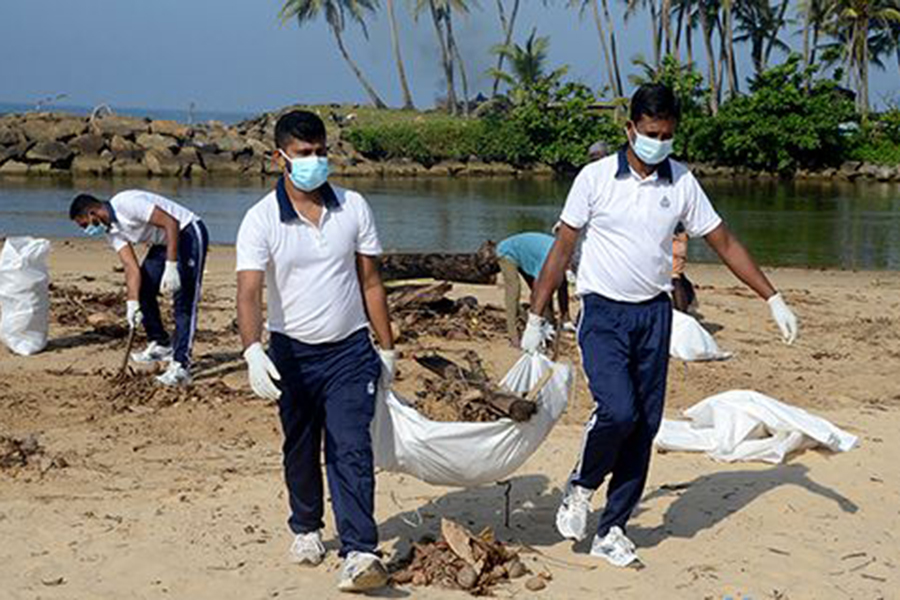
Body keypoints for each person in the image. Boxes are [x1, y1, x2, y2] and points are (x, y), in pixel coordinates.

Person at [521, 83, 798, 567]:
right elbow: (562, 248)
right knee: (620, 411)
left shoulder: (682, 182)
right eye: (651, 133)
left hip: (654, 315)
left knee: (645, 426)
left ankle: (613, 528)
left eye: (667, 134)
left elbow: (724, 241)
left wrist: (772, 297)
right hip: (603, 313)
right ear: (630, 129)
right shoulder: (594, 178)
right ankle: (582, 485)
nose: (659, 142)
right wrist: (535, 315)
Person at [235, 110, 395, 593]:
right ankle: (306, 527)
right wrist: (251, 350)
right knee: (301, 447)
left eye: (321, 152)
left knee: (351, 447)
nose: (315, 161)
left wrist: (387, 348)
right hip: (292, 355)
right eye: (304, 154)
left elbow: (370, 281)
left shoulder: (354, 207)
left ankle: (359, 550)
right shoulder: (260, 218)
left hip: (350, 351)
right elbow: (248, 292)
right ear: (279, 157)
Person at [68, 190, 208, 386]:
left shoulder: (127, 203)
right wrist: (132, 302)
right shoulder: (112, 232)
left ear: (92, 213)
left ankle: (181, 366)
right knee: (144, 287)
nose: (86, 230)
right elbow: (130, 267)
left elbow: (171, 223)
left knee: (184, 301)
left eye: (84, 224)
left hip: (187, 232)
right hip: (163, 242)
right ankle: (161, 343)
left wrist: (171, 265)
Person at [496, 232, 572, 346]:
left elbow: (562, 288)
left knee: (560, 283)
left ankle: (557, 322)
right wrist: (534, 325)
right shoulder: (549, 259)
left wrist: (566, 321)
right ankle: (513, 335)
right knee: (514, 289)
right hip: (508, 252)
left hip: (526, 255)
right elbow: (539, 291)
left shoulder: (565, 254)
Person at [671, 222, 697, 313]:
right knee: (675, 274)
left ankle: (681, 312)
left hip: (674, 235)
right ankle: (689, 296)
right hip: (677, 234)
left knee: (674, 277)